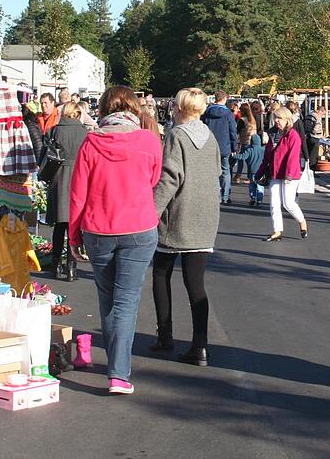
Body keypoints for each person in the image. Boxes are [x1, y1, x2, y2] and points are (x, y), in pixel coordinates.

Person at [69, 86, 162, 395]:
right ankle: (118, 373)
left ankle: (115, 364)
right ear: (133, 108)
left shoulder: (91, 143)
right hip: (138, 226)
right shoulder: (148, 141)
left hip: (98, 228)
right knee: (126, 301)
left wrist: (73, 234)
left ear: (104, 110)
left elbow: (78, 193)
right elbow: (153, 179)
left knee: (108, 298)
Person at [151, 88, 222, 366]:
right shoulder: (210, 137)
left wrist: (151, 211)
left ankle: (165, 334)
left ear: (179, 107)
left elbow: (170, 177)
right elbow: (217, 170)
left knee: (160, 272)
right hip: (205, 215)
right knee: (195, 283)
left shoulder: (176, 136)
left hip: (178, 214)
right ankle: (200, 345)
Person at [47, 102, 90, 281]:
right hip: (79, 178)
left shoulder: (54, 131)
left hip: (59, 178)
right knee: (74, 225)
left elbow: (46, 155)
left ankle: (56, 265)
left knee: (59, 225)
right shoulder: (85, 133)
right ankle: (72, 268)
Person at [258, 107, 307, 241]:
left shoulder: (293, 135)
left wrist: (289, 175)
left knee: (288, 203)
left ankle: (302, 221)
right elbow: (267, 156)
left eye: (280, 118)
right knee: (274, 204)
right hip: (274, 172)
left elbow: (293, 157)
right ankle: (277, 230)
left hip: (288, 173)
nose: (277, 121)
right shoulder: (272, 134)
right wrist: (260, 172)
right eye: (276, 118)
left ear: (287, 120)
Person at [202, 90, 238, 205]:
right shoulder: (228, 114)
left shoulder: (207, 112)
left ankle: (214, 195)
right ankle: (225, 196)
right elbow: (233, 131)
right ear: (225, 99)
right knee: (225, 171)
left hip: (210, 145)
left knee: (212, 171)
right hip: (225, 146)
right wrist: (234, 147)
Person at [232, 112, 265, 205]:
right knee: (260, 186)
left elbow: (242, 157)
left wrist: (234, 155)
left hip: (251, 171)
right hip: (260, 171)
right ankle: (259, 199)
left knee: (252, 185)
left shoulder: (249, 150)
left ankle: (253, 198)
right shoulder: (263, 150)